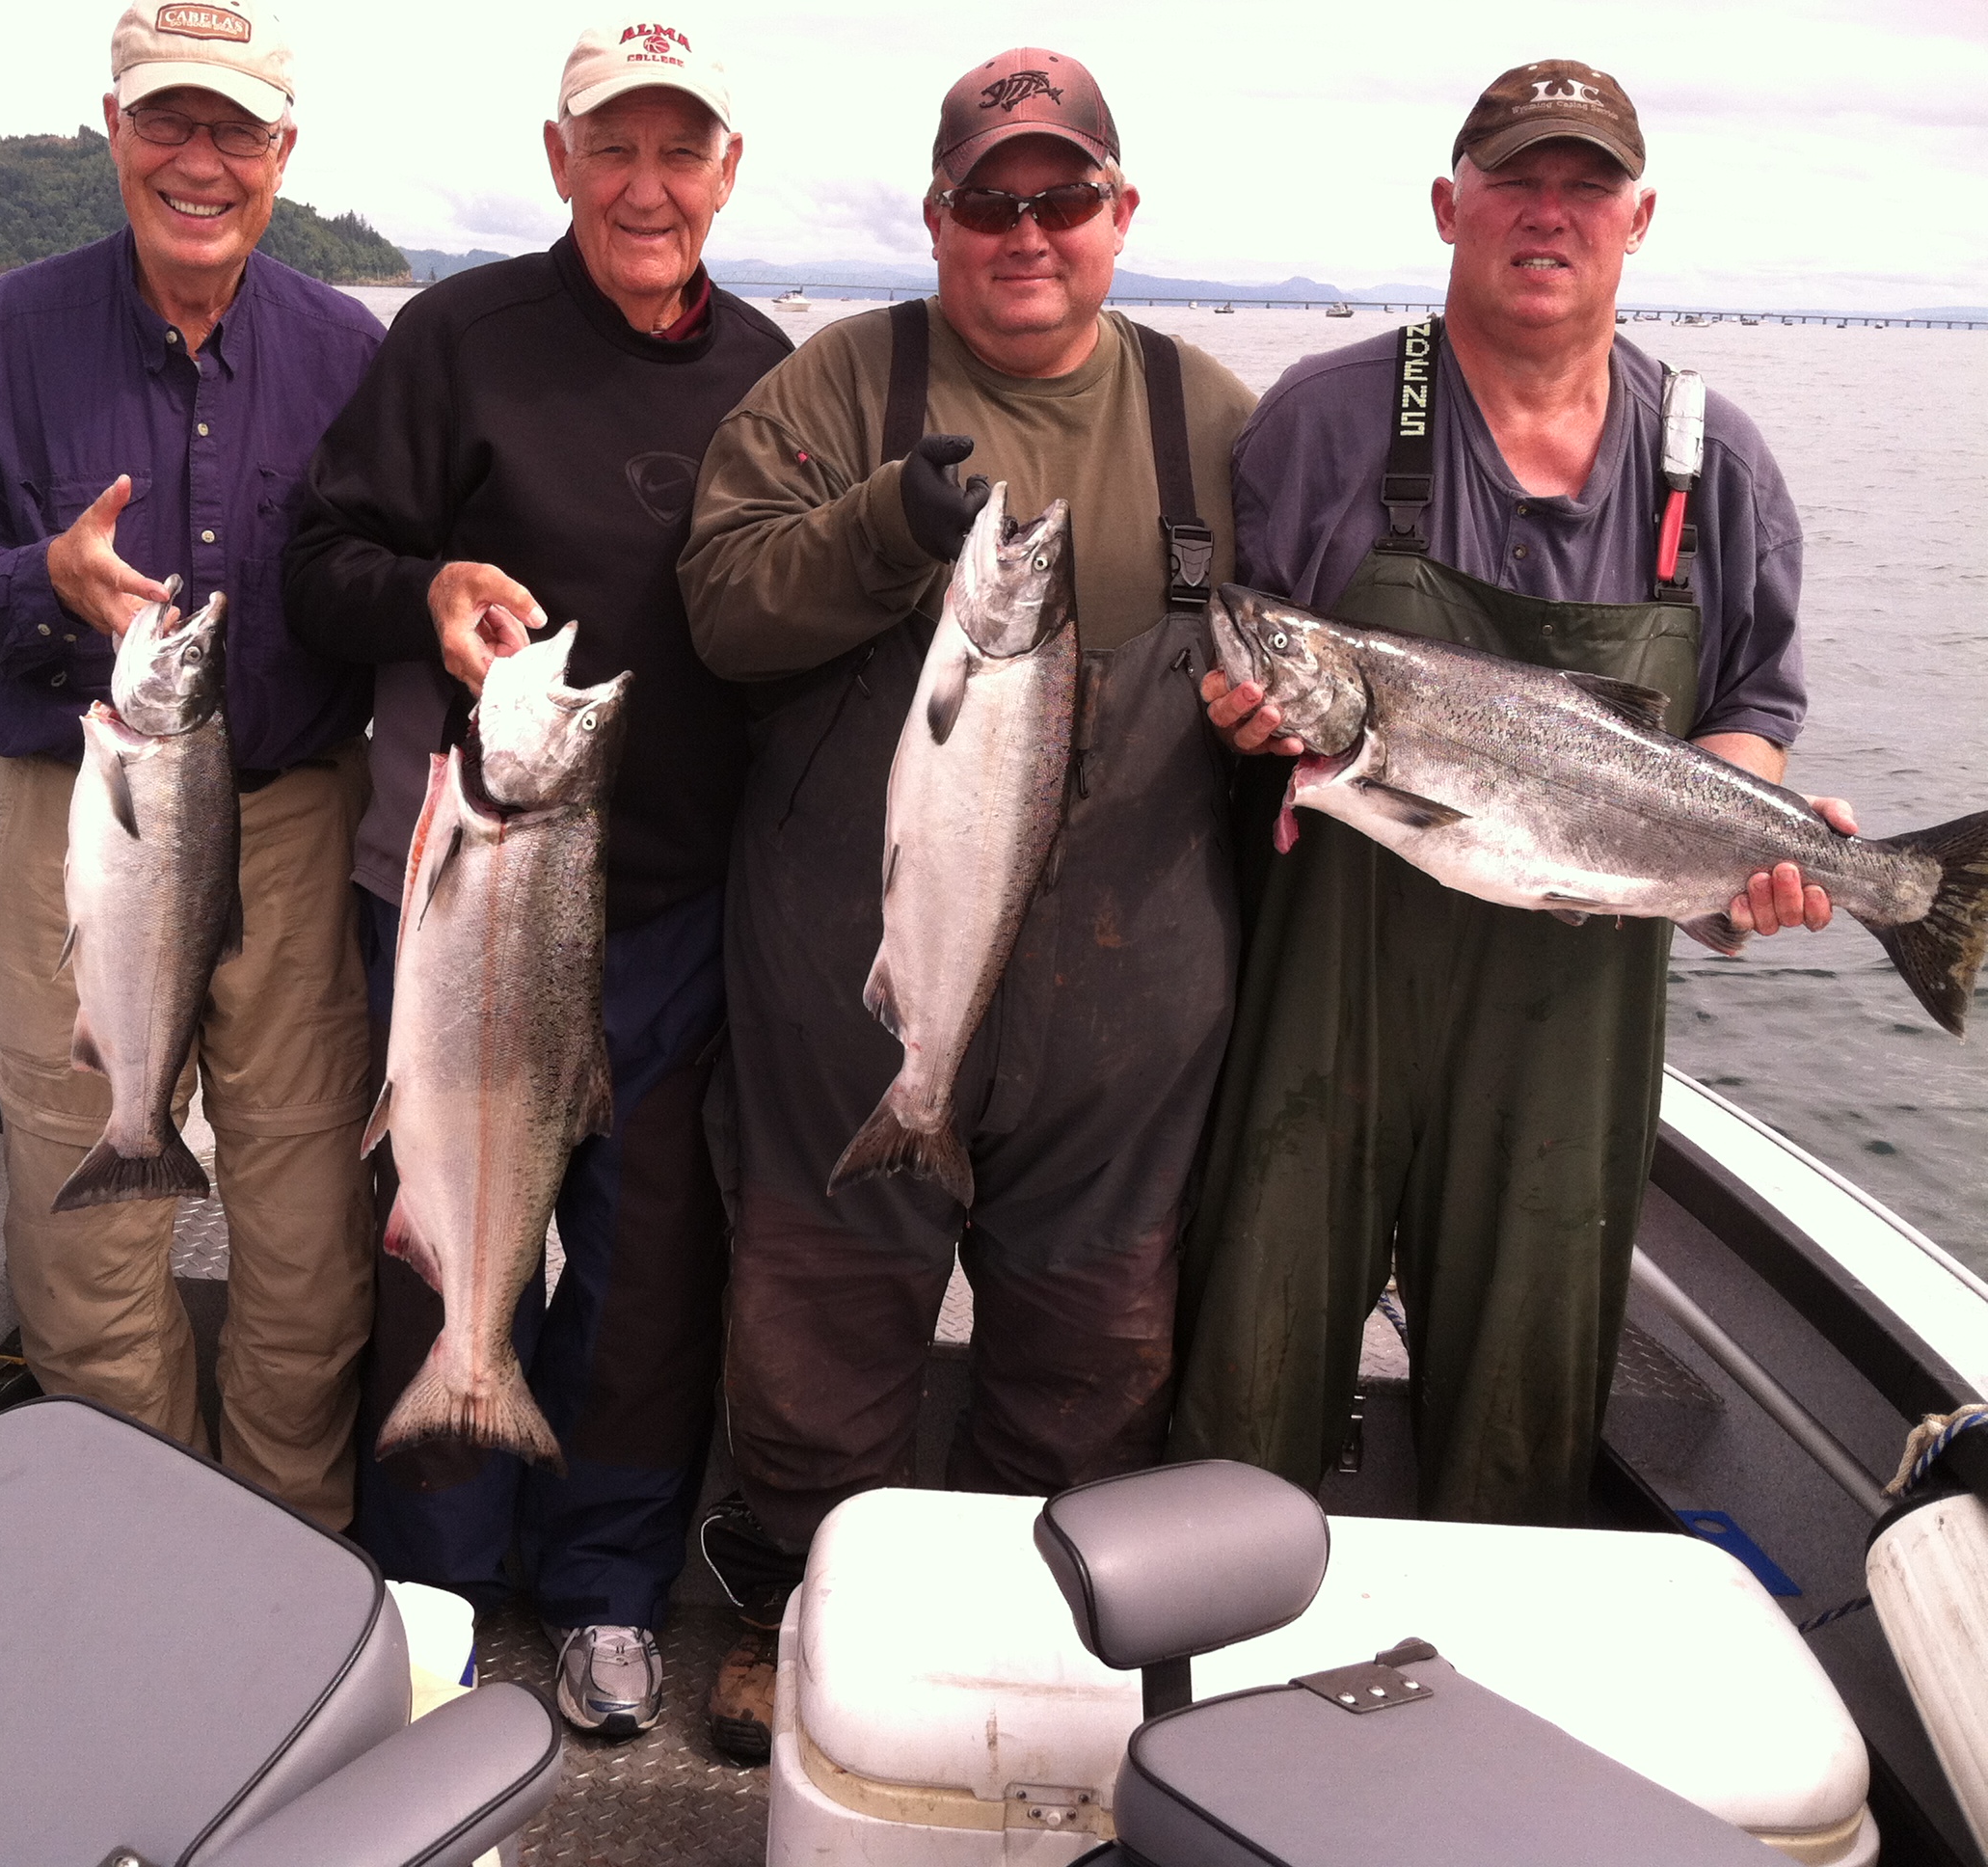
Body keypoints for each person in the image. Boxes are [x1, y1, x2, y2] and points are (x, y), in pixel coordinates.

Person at [678, 49, 1257, 1763]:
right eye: (989, 200)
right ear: (935, 219)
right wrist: (886, 523)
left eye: (1061, 196)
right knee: (818, 1306)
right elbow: (724, 608)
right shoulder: (837, 386)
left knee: (1095, 1328)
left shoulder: (1212, 418)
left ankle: (1028, 1629)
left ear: (1119, 214)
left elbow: (1304, 659)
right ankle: (796, 1604)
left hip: (1128, 993)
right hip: (855, 979)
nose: (1028, 231)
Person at [1172, 60, 1846, 1526]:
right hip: (1330, 974)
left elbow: (1751, 715)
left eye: (1586, 184)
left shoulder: (1716, 461)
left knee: (1531, 1374)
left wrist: (1754, 855)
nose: (1549, 213)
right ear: (1449, 205)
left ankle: (1492, 1683)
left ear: (1637, 217)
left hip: (1580, 990)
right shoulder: (1329, 418)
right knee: (1254, 1338)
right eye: (1515, 178)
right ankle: (1219, 1668)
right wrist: (1242, 718)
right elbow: (1240, 677)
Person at [280, 20, 789, 1739]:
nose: (647, 186)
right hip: (457, 896)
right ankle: (431, 1582)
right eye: (613, 149)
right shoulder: (456, 340)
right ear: (560, 159)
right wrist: (423, 595)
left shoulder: (774, 371)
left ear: (729, 171)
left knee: (644, 1270)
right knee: (440, 1231)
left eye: (682, 151)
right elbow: (319, 561)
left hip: (671, 908)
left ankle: (605, 1590)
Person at [0, 1, 383, 1528]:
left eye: (236, 130)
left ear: (283, 156)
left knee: (305, 1228)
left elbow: (380, 584)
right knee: (84, 1229)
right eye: (168, 121)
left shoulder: (350, 352)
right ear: (111, 130)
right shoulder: (6, 333)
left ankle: (292, 1549)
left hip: (297, 821)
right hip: (80, 820)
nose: (200, 160)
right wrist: (45, 579)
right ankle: (135, 1551)